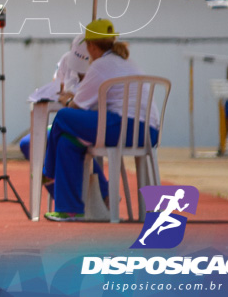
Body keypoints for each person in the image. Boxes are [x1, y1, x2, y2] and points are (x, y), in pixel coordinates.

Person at [42, 19, 160, 222]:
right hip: (149, 132)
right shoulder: (126, 61)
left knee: (62, 117)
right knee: (66, 142)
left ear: (90, 46)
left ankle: (48, 172)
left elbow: (77, 107)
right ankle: (69, 209)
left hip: (124, 127)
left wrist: (66, 99)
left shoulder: (99, 66)